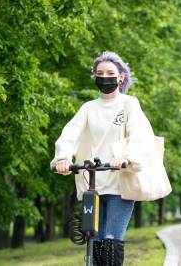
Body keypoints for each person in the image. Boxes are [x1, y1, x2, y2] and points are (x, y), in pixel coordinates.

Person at [51, 51, 156, 266]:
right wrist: (62, 158)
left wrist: (127, 158)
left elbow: (141, 135)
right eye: (100, 73)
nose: (105, 77)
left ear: (121, 77)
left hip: (120, 184)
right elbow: (70, 134)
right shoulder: (88, 108)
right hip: (94, 185)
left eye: (110, 73)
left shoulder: (129, 104)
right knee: (95, 242)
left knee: (110, 242)